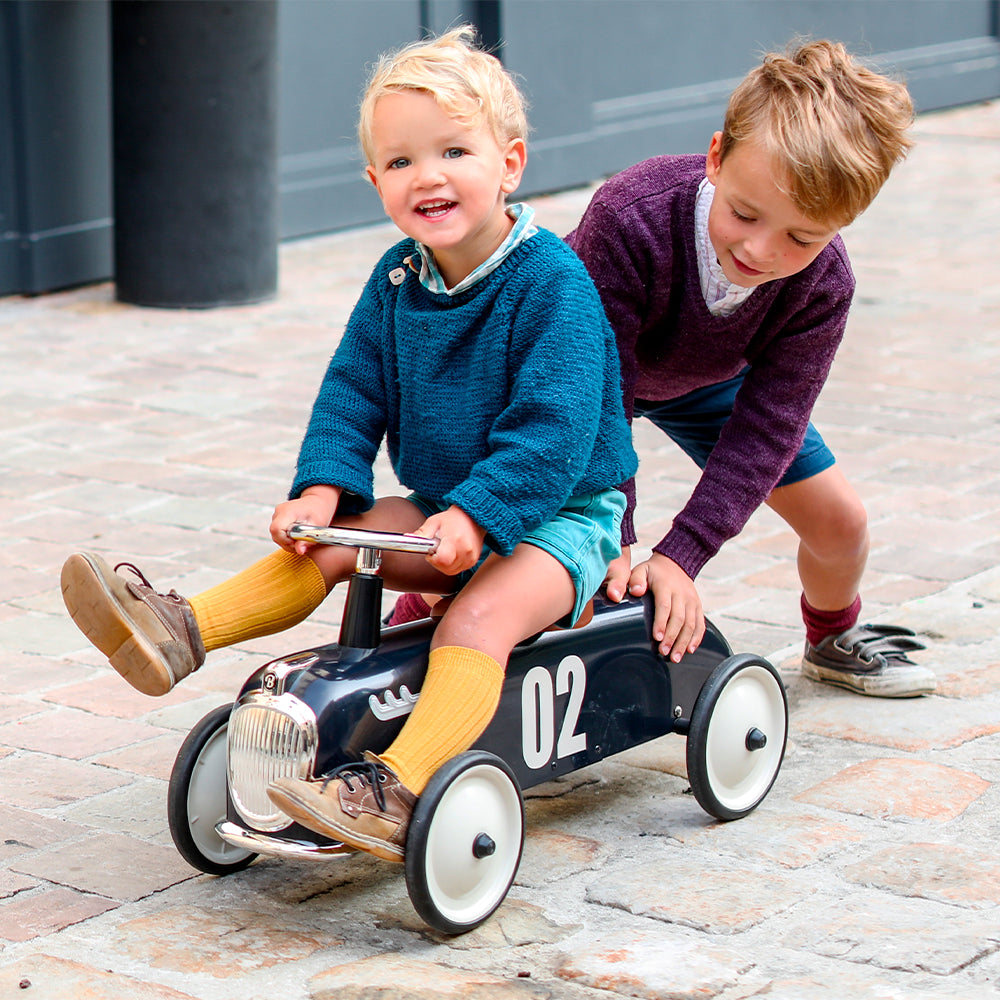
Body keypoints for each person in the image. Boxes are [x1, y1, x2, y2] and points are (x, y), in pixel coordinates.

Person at [60, 26, 637, 861]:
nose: (426, 176)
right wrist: (323, 489)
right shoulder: (399, 277)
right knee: (328, 549)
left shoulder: (552, 283)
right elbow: (353, 389)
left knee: (474, 621)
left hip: (561, 516)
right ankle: (182, 631)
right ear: (375, 181)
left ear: (509, 163)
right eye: (400, 163)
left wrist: (480, 515)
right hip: (446, 503)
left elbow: (553, 431)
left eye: (453, 151)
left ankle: (394, 786)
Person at [563, 39, 933, 698]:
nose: (760, 251)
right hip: (570, 366)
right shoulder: (630, 215)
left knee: (841, 524)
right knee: (518, 516)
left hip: (703, 376)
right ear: (715, 156)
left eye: (801, 236)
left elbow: (768, 427)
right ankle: (417, 630)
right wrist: (612, 533)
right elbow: (599, 389)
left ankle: (832, 640)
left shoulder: (823, 283)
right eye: (745, 213)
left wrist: (682, 553)